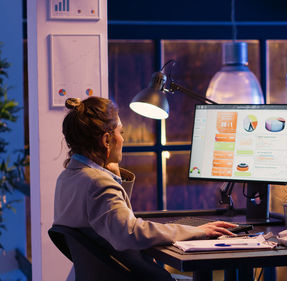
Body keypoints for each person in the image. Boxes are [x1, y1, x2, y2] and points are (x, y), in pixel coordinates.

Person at [53, 96, 236, 279]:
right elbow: (131, 232)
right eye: (121, 132)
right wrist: (197, 231)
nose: (123, 139)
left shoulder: (68, 178)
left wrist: (113, 174)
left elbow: (114, 220)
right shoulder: (97, 183)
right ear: (106, 140)